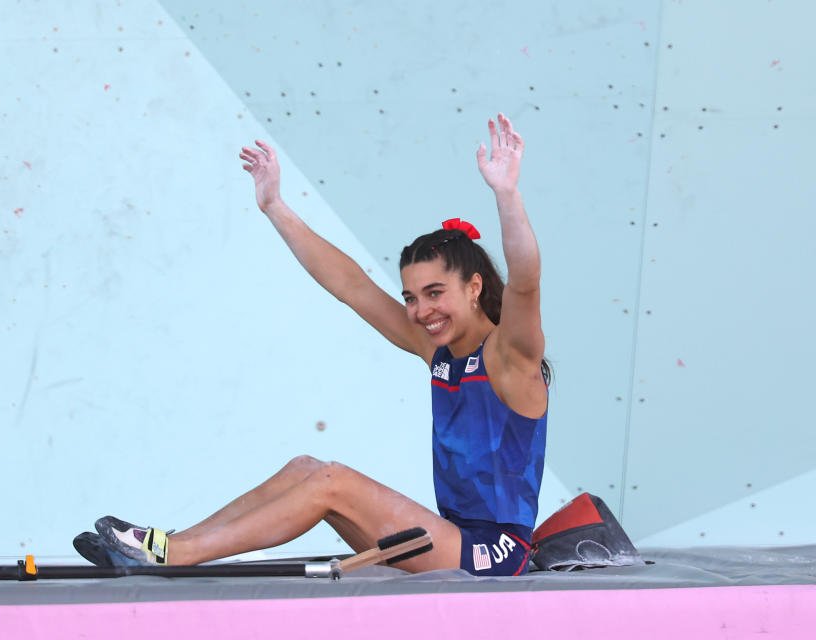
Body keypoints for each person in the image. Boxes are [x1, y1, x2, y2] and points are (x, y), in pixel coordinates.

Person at [92, 114, 548, 576]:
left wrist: (506, 194)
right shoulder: (440, 353)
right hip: (448, 539)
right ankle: (172, 543)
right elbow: (351, 285)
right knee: (305, 469)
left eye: (435, 293)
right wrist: (275, 206)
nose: (420, 311)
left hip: (493, 555)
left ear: (473, 287)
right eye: (411, 297)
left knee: (333, 482)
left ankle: (177, 557)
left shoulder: (509, 357)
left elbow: (526, 281)